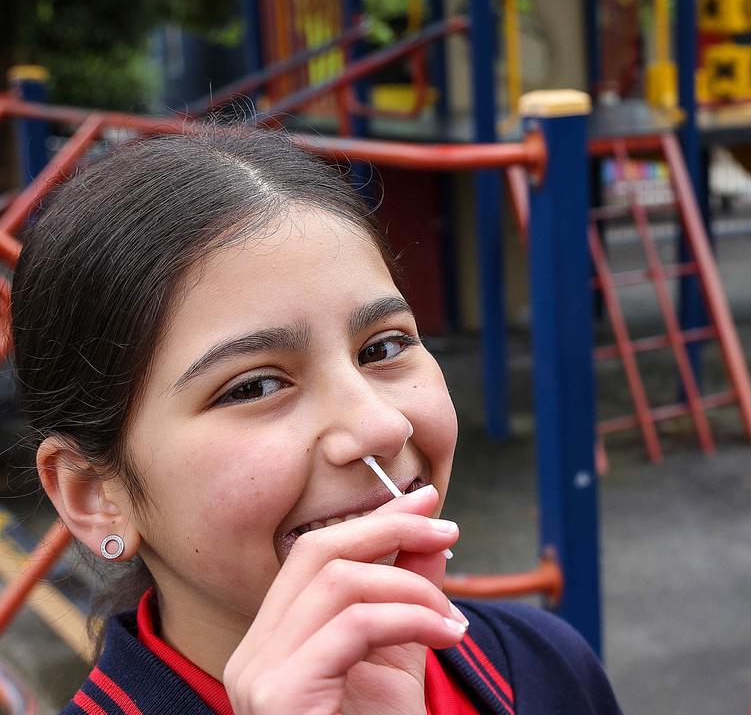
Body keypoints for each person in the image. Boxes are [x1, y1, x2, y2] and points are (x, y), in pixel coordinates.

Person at [14, 131, 622, 714]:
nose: (381, 427)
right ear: (96, 496)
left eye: (383, 348)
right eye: (254, 386)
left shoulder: (542, 665)